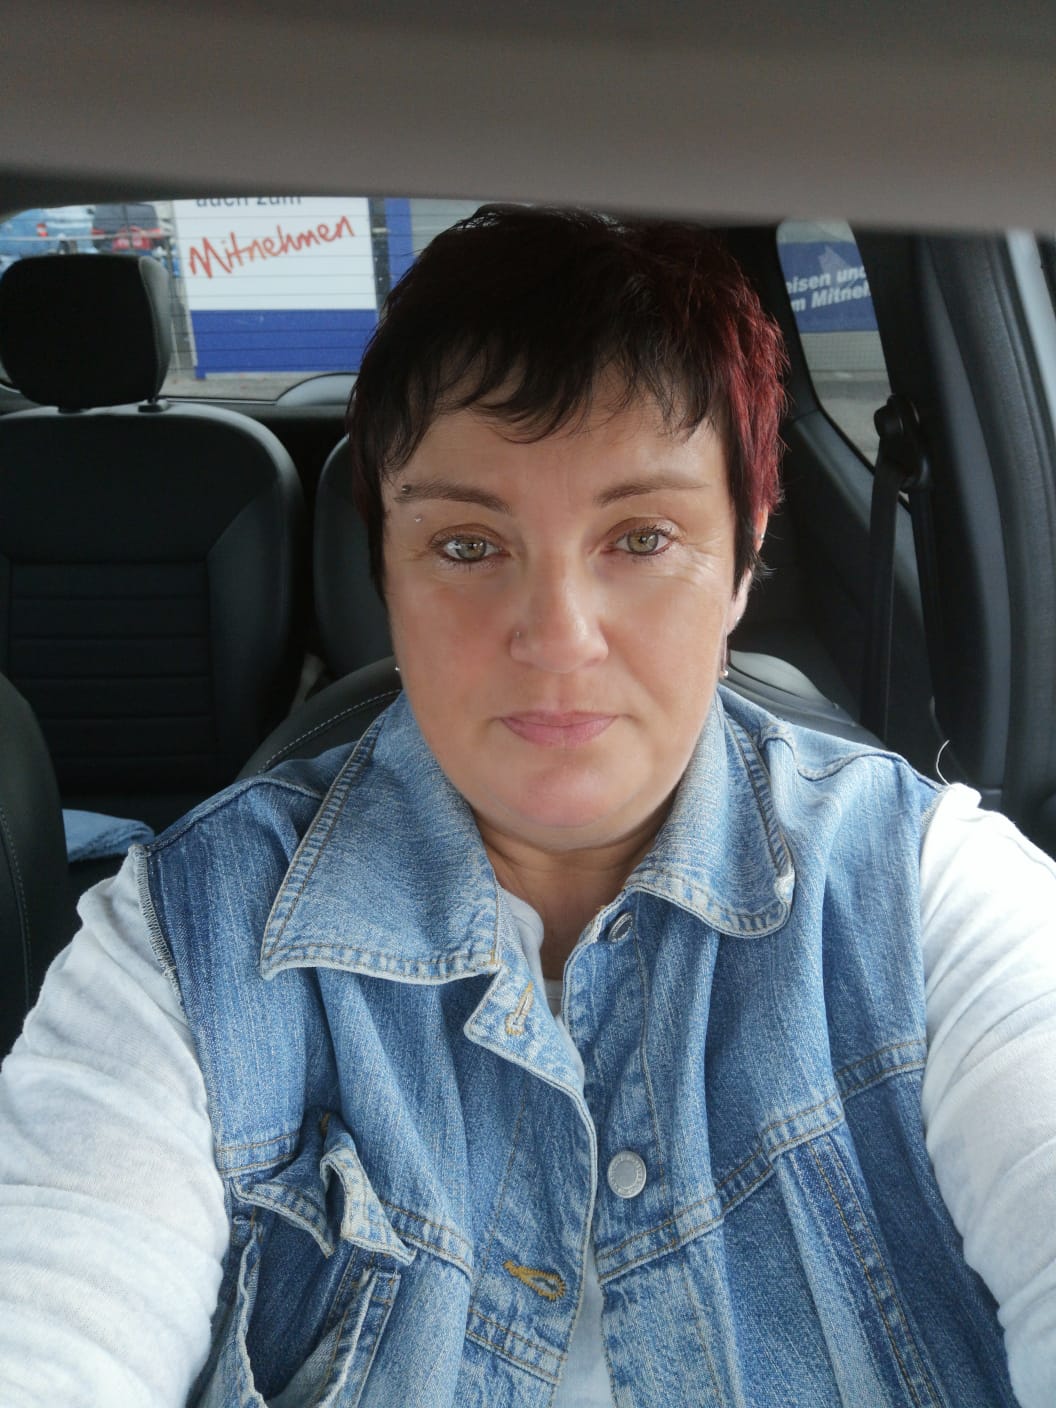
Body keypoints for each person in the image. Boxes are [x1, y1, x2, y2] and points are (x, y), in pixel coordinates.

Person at [1, 205, 1055, 1408]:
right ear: (383, 568)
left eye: (642, 536)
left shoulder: (930, 896)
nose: (558, 639)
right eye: (466, 545)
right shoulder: (180, 950)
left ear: (744, 559)